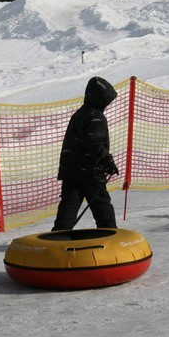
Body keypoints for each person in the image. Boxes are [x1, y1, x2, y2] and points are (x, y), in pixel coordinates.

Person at [52, 76, 119, 231]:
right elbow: (93, 143)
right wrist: (107, 162)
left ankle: (58, 239)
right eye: (106, 101)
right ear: (98, 99)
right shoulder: (96, 117)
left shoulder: (80, 114)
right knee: (103, 210)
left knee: (67, 212)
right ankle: (110, 237)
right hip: (90, 173)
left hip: (71, 172)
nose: (108, 105)